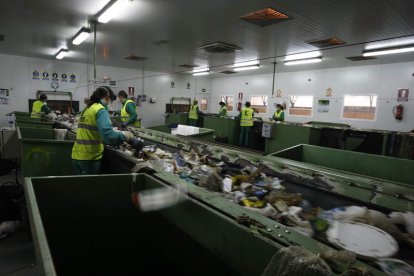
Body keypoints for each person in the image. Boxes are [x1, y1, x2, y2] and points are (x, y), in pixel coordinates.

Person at [71, 86, 135, 175]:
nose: (109, 103)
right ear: (106, 97)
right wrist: (124, 135)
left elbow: (92, 129)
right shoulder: (100, 109)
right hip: (90, 158)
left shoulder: (87, 109)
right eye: (110, 100)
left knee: (82, 187)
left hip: (77, 155)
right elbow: (109, 137)